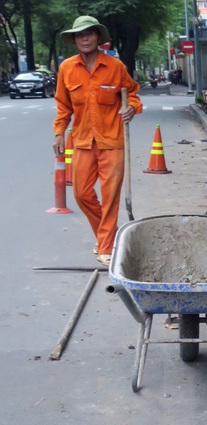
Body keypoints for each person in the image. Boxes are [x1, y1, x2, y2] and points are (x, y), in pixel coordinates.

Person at [53, 15, 142, 265]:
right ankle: (109, 235)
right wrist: (60, 132)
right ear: (74, 40)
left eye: (89, 33)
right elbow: (63, 105)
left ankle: (106, 248)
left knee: (110, 195)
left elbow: (133, 93)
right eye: (80, 35)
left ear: (97, 38)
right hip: (82, 141)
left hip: (112, 141)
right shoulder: (67, 68)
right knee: (81, 194)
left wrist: (132, 108)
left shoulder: (114, 67)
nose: (84, 38)